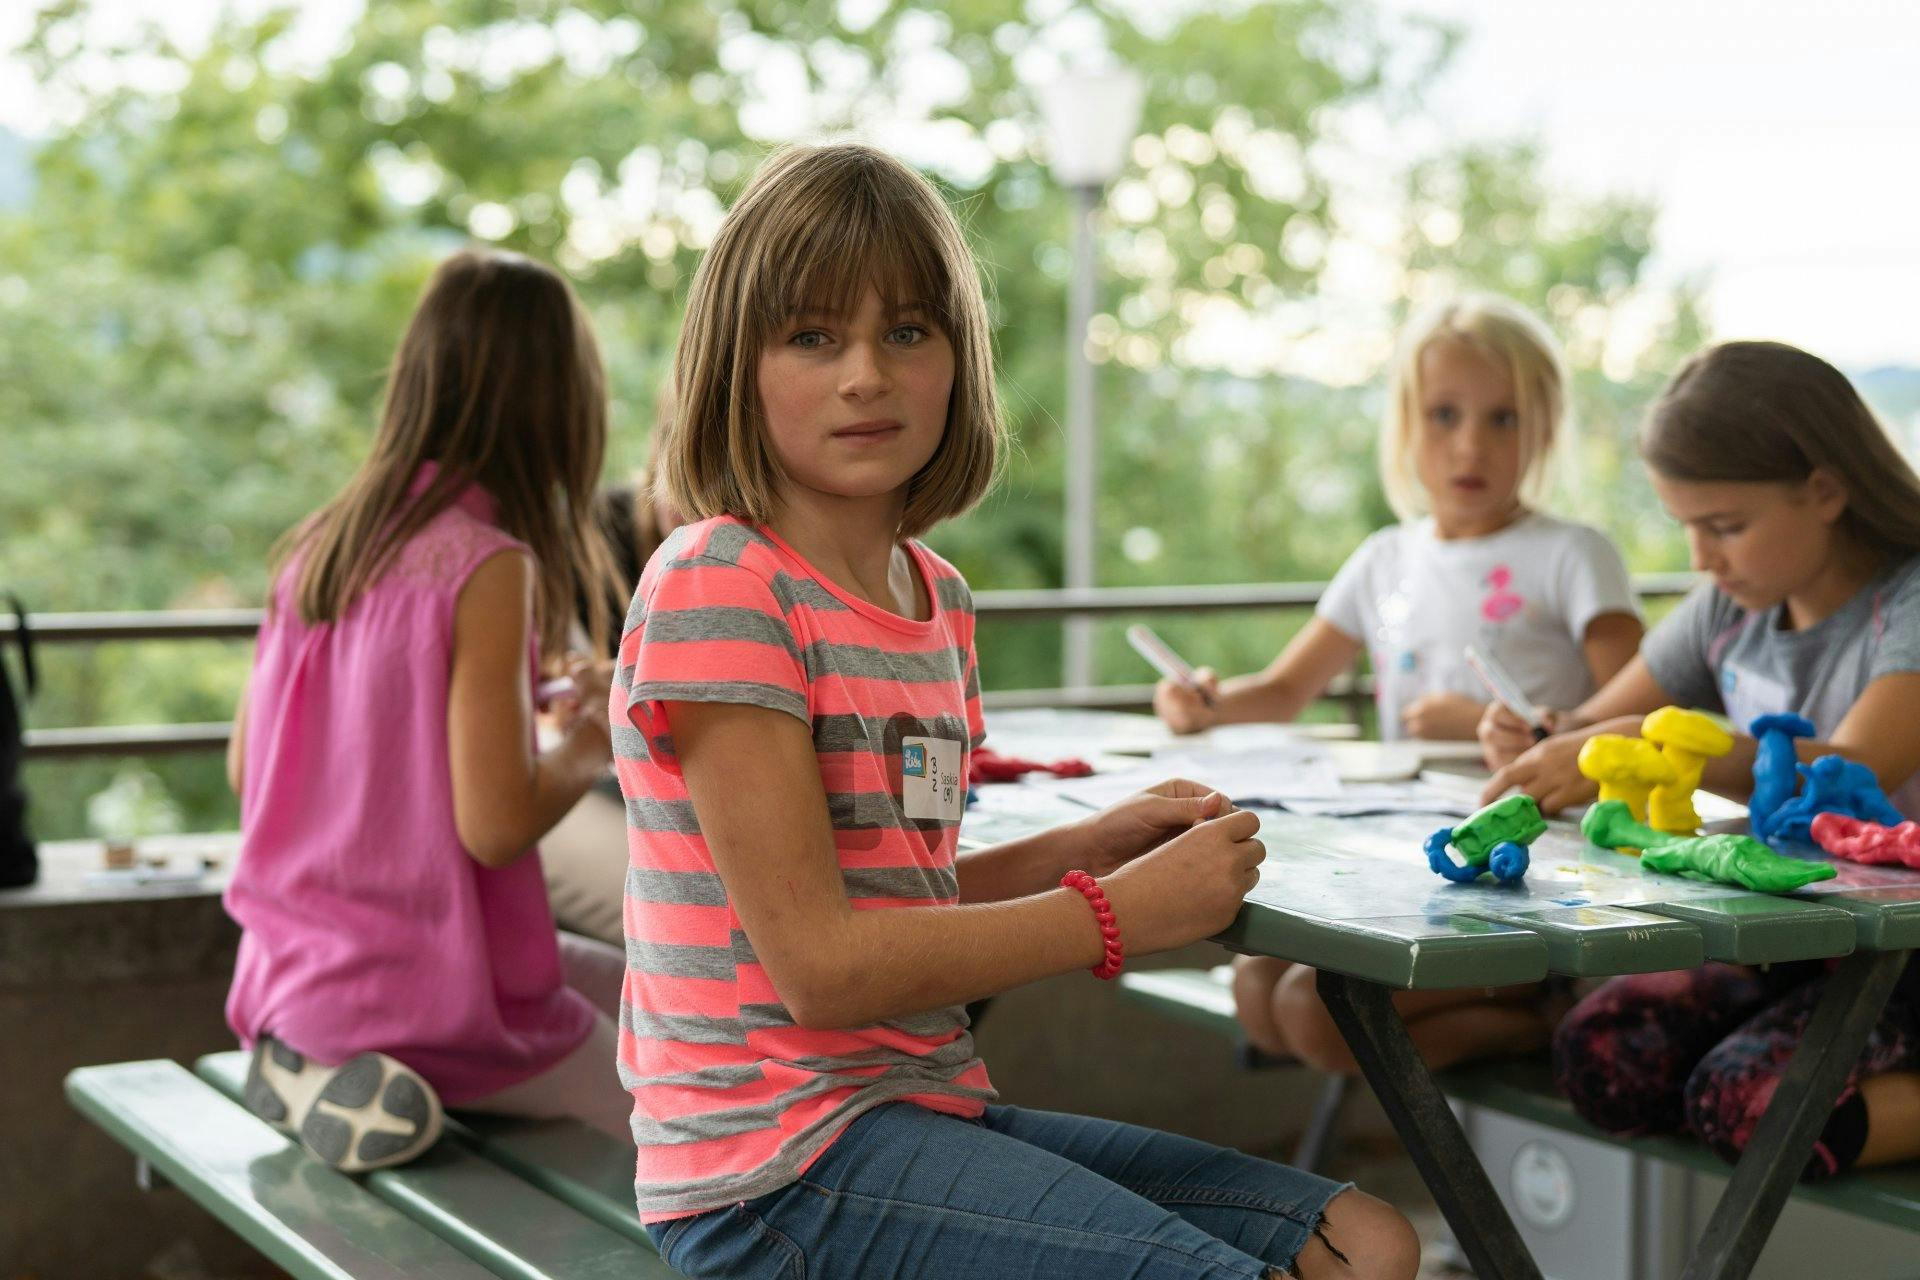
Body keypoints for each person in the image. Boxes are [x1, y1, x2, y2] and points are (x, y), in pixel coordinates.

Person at [613, 143, 1420, 1280]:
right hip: (769, 1174)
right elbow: (823, 966)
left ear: (958, 359)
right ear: (734, 366)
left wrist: (1077, 849)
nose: (865, 375)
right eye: (811, 335)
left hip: (914, 1109)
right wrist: (1112, 912)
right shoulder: (721, 582)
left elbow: (901, 892)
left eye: (906, 331)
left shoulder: (933, 597)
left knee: (1373, 1242)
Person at [224, 249, 631, 1173]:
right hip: (428, 997)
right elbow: (493, 827)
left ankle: (314, 1064)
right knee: (693, 1112)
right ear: (555, 401)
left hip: (301, 977)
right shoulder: (486, 564)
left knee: (650, 991)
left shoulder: (319, 548)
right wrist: (595, 734)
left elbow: (253, 770)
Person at [1479, 341, 1920, 1178]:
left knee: (1753, 1107)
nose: (1699, 558)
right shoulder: (1729, 603)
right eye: (1686, 525)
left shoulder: (1910, 599)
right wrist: (1542, 739)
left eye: (1724, 527)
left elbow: (1857, 767)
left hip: (1909, 948)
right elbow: (1601, 726)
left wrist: (1671, 739)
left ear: (1826, 490)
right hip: (1808, 941)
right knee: (1603, 1057)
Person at [1211, 296, 1641, 1076]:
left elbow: (1643, 718)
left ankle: (1547, 1010)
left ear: (1543, 430)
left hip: (1533, 867)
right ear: (1407, 426)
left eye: (1503, 419)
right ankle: (1526, 1010)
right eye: (1445, 415)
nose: (1470, 443)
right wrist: (1203, 701)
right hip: (1407, 850)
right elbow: (1281, 690)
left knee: (1316, 1015)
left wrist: (1488, 721)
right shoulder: (1384, 557)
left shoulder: (1575, 554)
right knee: (1255, 989)